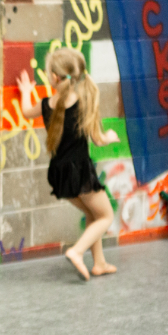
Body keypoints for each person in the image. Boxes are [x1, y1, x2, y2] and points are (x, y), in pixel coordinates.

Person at [17, 47, 119, 281]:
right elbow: (98, 140)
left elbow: (26, 111)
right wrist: (111, 136)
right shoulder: (83, 103)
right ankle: (77, 251)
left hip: (59, 173)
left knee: (93, 213)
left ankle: (99, 263)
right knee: (106, 216)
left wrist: (25, 92)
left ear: (54, 77)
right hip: (80, 173)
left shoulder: (45, 104)